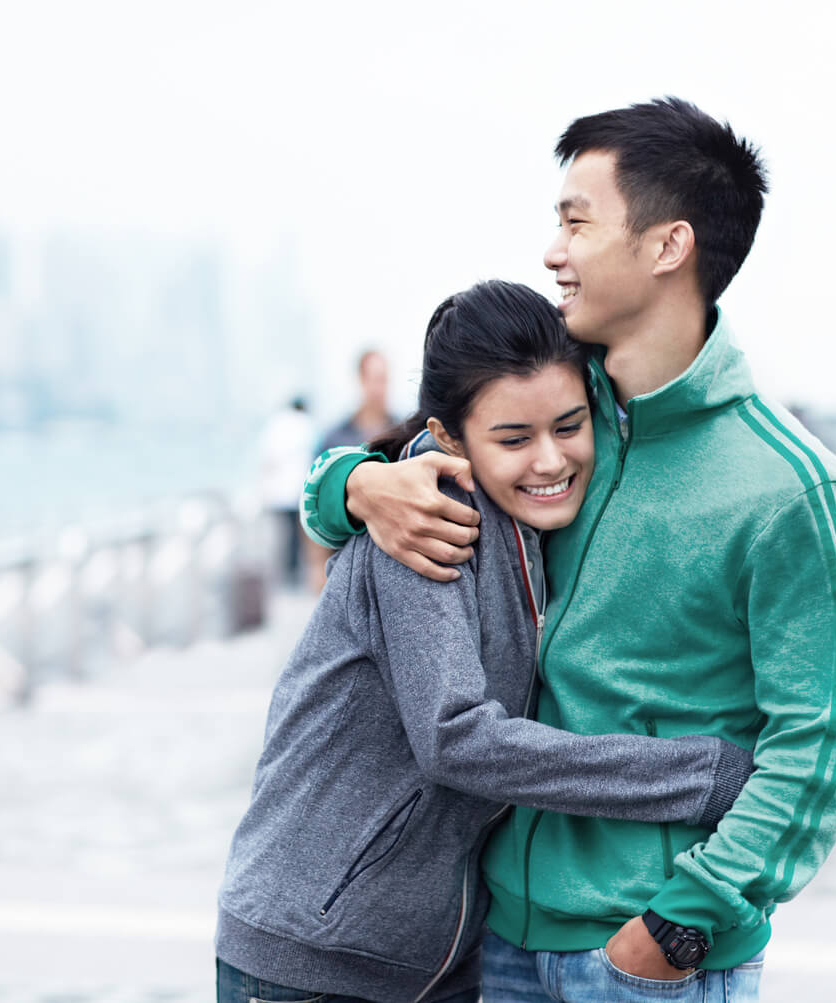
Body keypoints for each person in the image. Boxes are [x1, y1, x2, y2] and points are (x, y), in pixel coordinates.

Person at [302, 98, 836, 1001]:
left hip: (645, 959)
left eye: (576, 221)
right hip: (496, 939)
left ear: (667, 245)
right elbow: (421, 443)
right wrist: (349, 487)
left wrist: (679, 925)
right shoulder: (565, 430)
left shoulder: (792, 489)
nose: (552, 251)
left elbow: (815, 752)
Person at [217, 281, 757, 1003]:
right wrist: (699, 775)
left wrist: (345, 482)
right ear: (448, 438)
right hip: (315, 958)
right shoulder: (426, 522)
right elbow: (457, 737)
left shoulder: (532, 523)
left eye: (568, 426)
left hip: (432, 956)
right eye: (513, 438)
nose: (549, 460)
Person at [303, 351, 401, 591]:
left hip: (394, 559)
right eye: (374, 379)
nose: (379, 388)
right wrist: (316, 565)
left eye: (384, 379)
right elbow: (314, 500)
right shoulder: (335, 437)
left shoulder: (402, 433)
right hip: (344, 559)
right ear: (361, 380)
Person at [257, 396, 319, 586]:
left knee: (283, 535)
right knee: (297, 534)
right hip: (300, 489)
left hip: (279, 492)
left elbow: (267, 458)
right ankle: (294, 574)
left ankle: (285, 575)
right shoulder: (307, 425)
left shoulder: (276, 424)